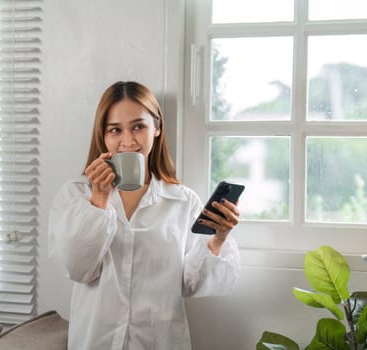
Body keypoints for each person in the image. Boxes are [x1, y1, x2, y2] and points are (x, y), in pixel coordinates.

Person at [48, 81, 242, 350]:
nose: (127, 141)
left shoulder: (182, 201)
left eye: (138, 127)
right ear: (103, 136)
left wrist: (219, 238)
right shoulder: (76, 195)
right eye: (115, 130)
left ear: (157, 128)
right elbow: (78, 269)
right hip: (95, 341)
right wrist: (99, 198)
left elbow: (192, 285)